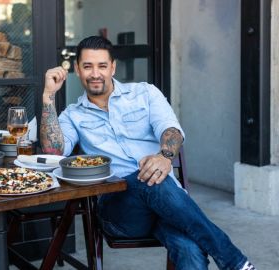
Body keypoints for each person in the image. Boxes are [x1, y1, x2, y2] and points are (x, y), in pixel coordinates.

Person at [40, 36, 255, 270]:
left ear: (113, 67)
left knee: (189, 248)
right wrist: (48, 96)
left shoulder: (145, 94)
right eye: (87, 66)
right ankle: (234, 261)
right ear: (77, 70)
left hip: (168, 207)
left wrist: (164, 156)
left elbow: (171, 129)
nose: (95, 74)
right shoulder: (73, 115)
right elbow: (54, 150)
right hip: (121, 211)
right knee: (150, 180)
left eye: (102, 66)